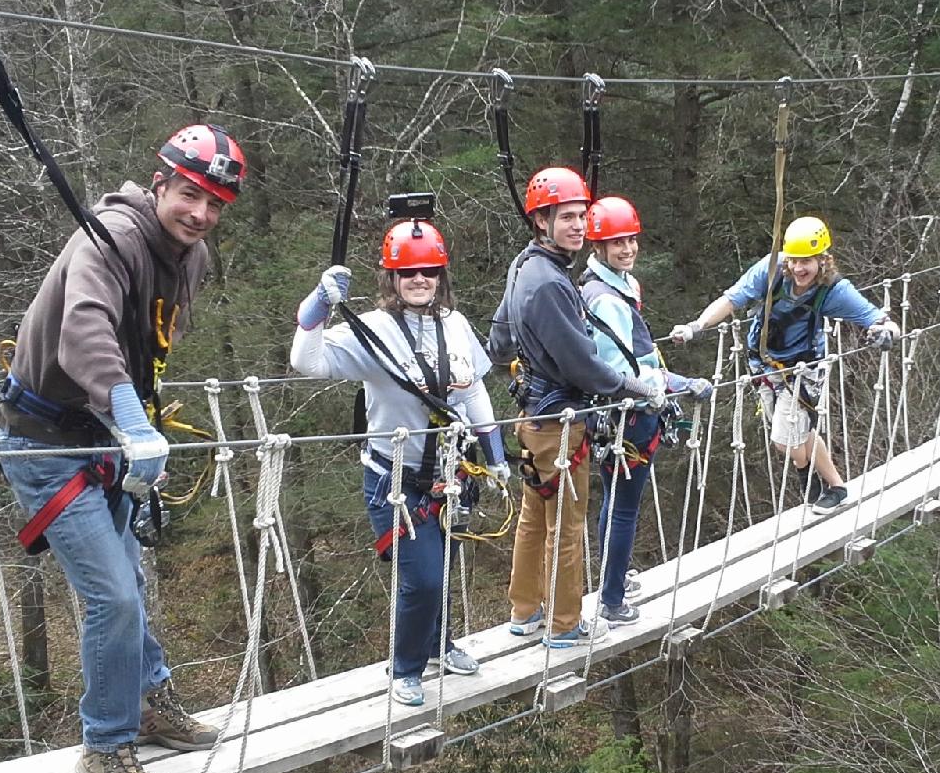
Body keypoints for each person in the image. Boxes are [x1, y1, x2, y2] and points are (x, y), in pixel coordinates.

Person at [0, 123, 237, 773]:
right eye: (189, 194)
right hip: (46, 443)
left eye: (214, 203)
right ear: (160, 184)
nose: (200, 213)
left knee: (128, 578)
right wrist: (131, 419)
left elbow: (150, 347)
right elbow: (85, 333)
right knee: (113, 594)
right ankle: (105, 743)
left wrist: (139, 425)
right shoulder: (112, 237)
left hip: (102, 435)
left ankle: (151, 704)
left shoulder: (188, 256)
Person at [289, 207, 506, 707]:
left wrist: (494, 451)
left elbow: (473, 392)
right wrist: (319, 304)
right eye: (408, 272)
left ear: (441, 275)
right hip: (394, 481)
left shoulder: (455, 325)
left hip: (449, 473)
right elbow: (307, 360)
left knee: (443, 567)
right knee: (422, 578)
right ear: (392, 277)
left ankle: (437, 645)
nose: (419, 279)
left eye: (428, 270)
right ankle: (406, 667)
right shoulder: (373, 330)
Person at [489, 167, 661, 647]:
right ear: (541, 220)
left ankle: (525, 610)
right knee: (566, 525)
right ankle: (565, 625)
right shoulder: (550, 282)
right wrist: (634, 387)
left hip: (532, 417)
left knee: (533, 517)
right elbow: (584, 367)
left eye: (582, 216)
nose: (579, 226)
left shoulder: (524, 266)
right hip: (561, 422)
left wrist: (524, 358)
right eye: (566, 217)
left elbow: (499, 342)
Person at [669, 215, 901, 513]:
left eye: (807, 261)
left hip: (803, 369)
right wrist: (696, 326)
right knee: (799, 432)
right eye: (794, 260)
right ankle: (837, 486)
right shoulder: (771, 271)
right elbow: (731, 299)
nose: (799, 268)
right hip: (763, 366)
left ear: (823, 260)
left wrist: (886, 333)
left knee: (785, 441)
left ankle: (808, 478)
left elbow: (877, 319)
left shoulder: (833, 289)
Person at [578, 196, 711, 624]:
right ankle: (612, 599)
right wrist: (680, 384)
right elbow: (622, 371)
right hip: (628, 417)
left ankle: (612, 579)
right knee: (624, 507)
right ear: (598, 245)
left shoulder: (606, 286)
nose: (627, 248)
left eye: (631, 239)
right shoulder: (608, 301)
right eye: (617, 242)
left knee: (614, 500)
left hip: (613, 415)